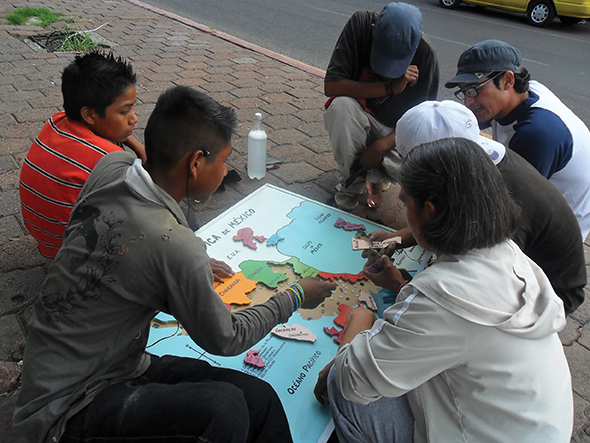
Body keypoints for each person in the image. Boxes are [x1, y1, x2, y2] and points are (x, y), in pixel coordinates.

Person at [14, 86, 337, 443]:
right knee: (224, 410)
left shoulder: (112, 167)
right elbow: (228, 337)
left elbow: (140, 236)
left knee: (259, 399)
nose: (226, 169)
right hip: (65, 410)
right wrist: (293, 295)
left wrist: (192, 259)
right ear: (196, 163)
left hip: (120, 365)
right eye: (225, 159)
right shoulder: (173, 247)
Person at [314, 137, 573, 442]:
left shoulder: (442, 299)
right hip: (535, 428)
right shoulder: (508, 253)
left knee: (343, 387)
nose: (405, 213)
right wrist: (397, 276)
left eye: (406, 203)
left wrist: (360, 324)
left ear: (429, 211)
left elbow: (349, 380)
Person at [374, 100, 586, 315]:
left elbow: (473, 296)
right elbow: (437, 219)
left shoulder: (496, 206)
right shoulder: (476, 163)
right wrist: (395, 239)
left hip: (549, 294)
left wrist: (400, 285)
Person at [445, 39, 590, 240]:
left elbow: (502, 210)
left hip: (553, 240)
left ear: (508, 80)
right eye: (464, 91)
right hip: (536, 205)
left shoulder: (537, 134)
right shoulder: (522, 94)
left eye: (474, 89)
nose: (469, 101)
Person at [19, 51, 146, 259]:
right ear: (89, 114)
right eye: (124, 112)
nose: (134, 118)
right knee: (176, 222)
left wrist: (136, 145)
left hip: (46, 237)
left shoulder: (57, 121)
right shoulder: (111, 160)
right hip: (76, 256)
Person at [323, 2, 439, 210]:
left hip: (396, 135)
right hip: (360, 119)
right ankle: (353, 184)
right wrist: (389, 88)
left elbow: (422, 124)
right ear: (374, 30)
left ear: (418, 39)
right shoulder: (360, 24)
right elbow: (331, 86)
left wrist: (380, 146)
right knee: (340, 107)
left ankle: (378, 173)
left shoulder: (426, 56)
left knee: (422, 177)